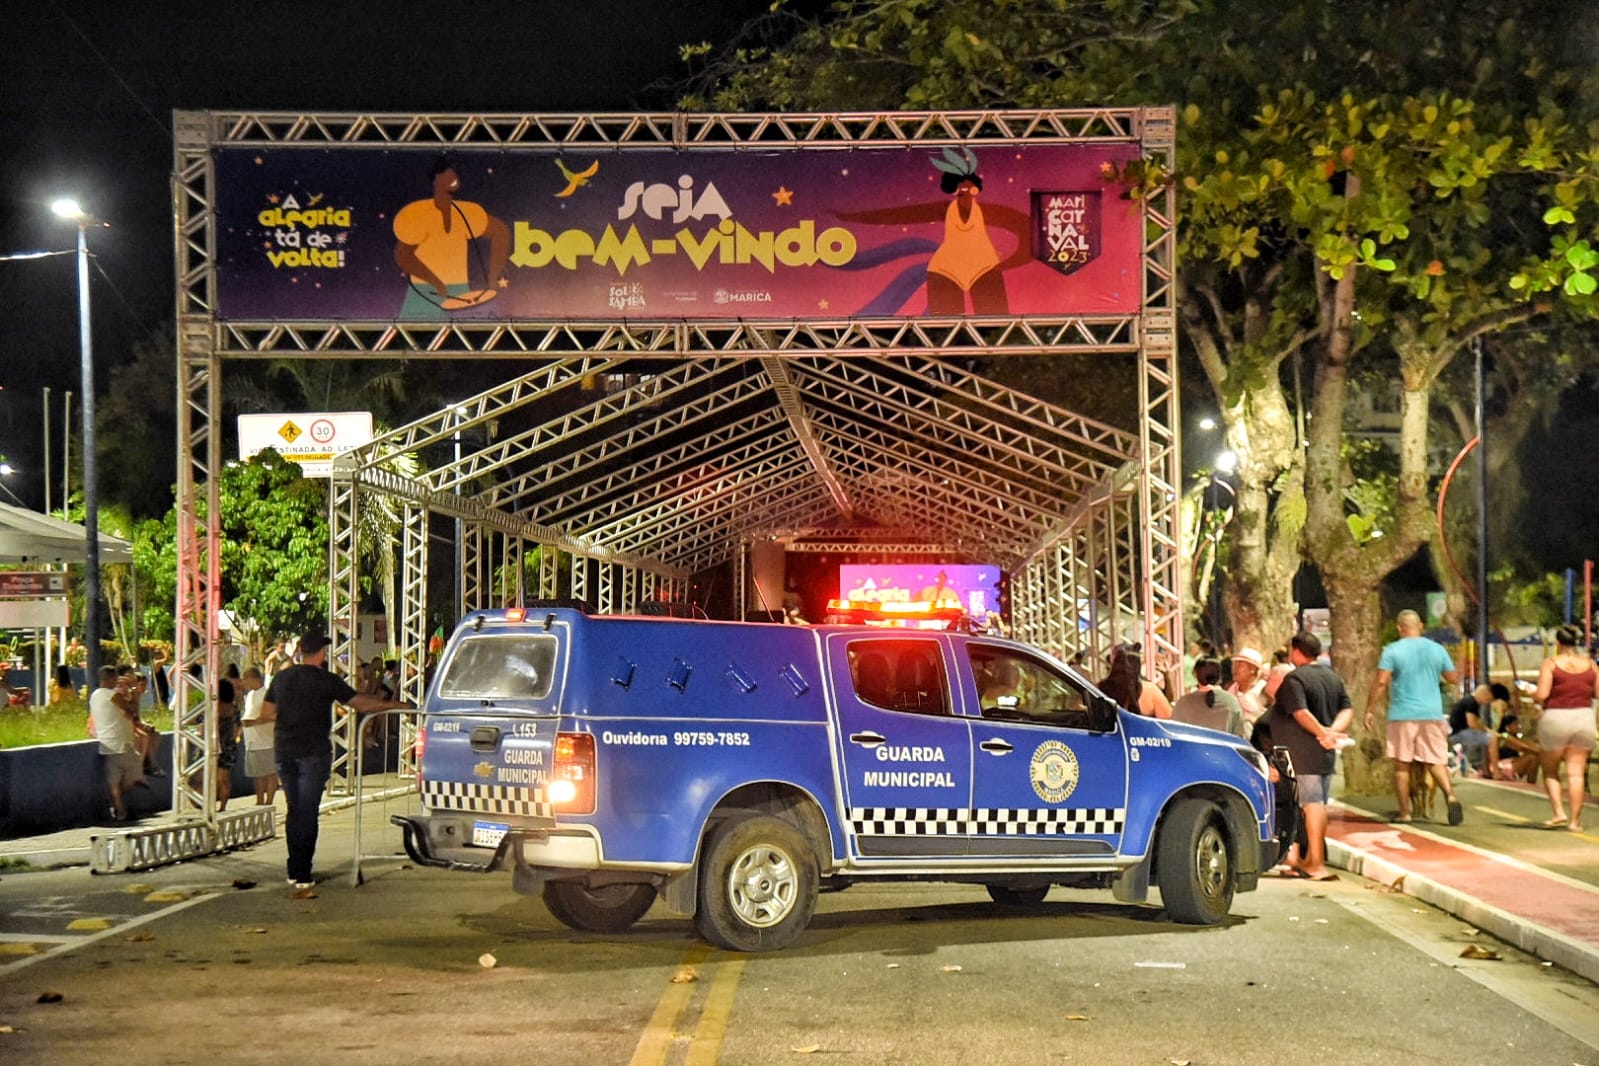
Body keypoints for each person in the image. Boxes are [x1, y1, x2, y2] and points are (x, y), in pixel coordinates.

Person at [259, 632, 411, 890]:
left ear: (299, 652)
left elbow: (266, 712)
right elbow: (360, 704)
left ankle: (294, 868)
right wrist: (393, 705)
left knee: (295, 810)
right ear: (320, 653)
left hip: (285, 750)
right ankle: (303, 872)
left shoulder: (281, 678)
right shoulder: (326, 680)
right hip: (314, 751)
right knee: (308, 812)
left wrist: (290, 719)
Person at [1364, 609, 1464, 825]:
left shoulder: (1392, 651)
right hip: (1432, 714)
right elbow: (1453, 678)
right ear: (1421, 627)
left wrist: (1369, 709)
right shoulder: (1437, 649)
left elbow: (1381, 682)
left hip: (1402, 715)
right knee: (1435, 761)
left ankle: (1405, 813)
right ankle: (1451, 795)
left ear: (1400, 628)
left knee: (1402, 765)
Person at [1271, 631, 1354, 880]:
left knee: (1311, 805)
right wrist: (1331, 733)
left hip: (1302, 752)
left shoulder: (1294, 679)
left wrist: (1321, 732)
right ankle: (1299, 858)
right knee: (1314, 805)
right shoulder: (1333, 678)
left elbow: (1300, 713)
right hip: (1324, 753)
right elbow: (1347, 709)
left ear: (1297, 651)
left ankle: (1316, 861)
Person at [393, 156, 510, 317]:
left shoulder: (466, 211)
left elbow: (500, 232)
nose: (452, 176)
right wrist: (435, 282)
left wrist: (493, 278)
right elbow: (403, 256)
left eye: (452, 172)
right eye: (445, 173)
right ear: (434, 180)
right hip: (424, 291)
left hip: (460, 290)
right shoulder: (417, 213)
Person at [1531, 623, 1598, 831]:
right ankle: (1575, 822)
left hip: (1556, 719)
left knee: (1550, 771)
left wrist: (1530, 693)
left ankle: (1559, 812)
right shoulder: (1591, 665)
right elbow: (1597, 693)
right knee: (1576, 774)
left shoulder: (1550, 664)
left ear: (1558, 643)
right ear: (1576, 642)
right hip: (1583, 718)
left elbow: (1542, 694)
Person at [88, 665, 144, 821]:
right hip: (121, 742)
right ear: (107, 679)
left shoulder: (95, 695)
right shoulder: (112, 695)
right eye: (114, 678)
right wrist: (134, 694)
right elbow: (132, 711)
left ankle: (120, 811)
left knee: (114, 779)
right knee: (135, 774)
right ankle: (116, 803)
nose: (116, 681)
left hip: (106, 743)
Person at [1170, 656, 1249, 739]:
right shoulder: (1232, 702)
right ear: (1219, 677)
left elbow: (1175, 735)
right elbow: (1240, 737)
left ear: (1195, 674)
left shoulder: (1183, 703)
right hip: (1222, 751)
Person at [1099, 642, 1172, 718]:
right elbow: (1169, 723)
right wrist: (1167, 676)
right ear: (1137, 662)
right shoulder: (1150, 690)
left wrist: (1167, 677)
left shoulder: (1099, 688)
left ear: (1113, 661)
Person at [238, 666, 277, 806]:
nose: (244, 682)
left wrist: (255, 722)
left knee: (269, 772)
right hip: (252, 740)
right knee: (257, 774)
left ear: (254, 678)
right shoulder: (249, 696)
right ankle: (259, 799)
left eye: (246, 679)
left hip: (266, 740)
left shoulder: (267, 694)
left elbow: (275, 715)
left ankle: (269, 800)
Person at [1448, 684, 1495, 774]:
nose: (1487, 703)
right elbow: (1472, 723)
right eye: (1487, 699)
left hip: (1457, 734)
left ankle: (1485, 769)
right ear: (1484, 694)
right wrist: (1487, 730)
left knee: (1488, 739)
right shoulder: (1472, 703)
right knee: (1493, 739)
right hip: (1460, 735)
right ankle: (1495, 772)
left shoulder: (1469, 701)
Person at [1486, 714, 1540, 782]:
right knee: (1533, 757)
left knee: (1534, 755)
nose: (1518, 726)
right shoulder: (1504, 736)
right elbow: (1523, 747)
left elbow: (1528, 745)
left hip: (1511, 764)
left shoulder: (1516, 737)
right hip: (1501, 766)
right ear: (1507, 726)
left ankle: (1531, 782)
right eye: (1515, 724)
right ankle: (1531, 783)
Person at [1227, 647, 1270, 731]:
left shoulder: (1263, 689)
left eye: (1241, 665)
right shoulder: (1233, 688)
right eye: (1235, 664)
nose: (1235, 668)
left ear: (1252, 670)